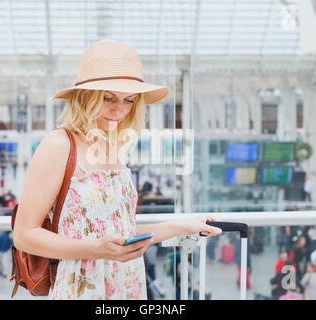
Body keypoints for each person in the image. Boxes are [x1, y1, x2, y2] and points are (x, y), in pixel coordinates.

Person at [12, 39, 222, 300]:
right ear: (84, 97)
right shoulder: (58, 145)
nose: (119, 110)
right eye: (108, 97)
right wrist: (95, 249)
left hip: (127, 284)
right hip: (83, 288)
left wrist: (185, 225)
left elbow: (124, 235)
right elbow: (24, 235)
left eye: (129, 100)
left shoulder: (113, 147)